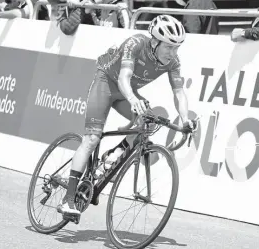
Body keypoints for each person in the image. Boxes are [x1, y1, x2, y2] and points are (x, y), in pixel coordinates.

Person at [57, 15, 194, 219]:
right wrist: (132, 99)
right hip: (106, 83)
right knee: (92, 139)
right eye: (169, 47)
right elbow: (124, 78)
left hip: (126, 92)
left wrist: (185, 119)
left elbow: (179, 93)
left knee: (146, 123)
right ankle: (68, 199)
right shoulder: (136, 43)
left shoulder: (172, 62)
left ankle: (109, 161)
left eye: (177, 48)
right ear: (155, 42)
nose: (173, 53)